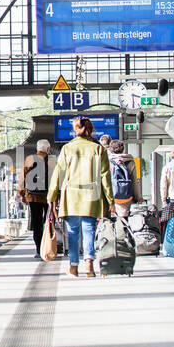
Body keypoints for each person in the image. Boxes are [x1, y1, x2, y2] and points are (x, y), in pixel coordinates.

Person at [48, 115, 113, 278]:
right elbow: (105, 176)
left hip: (71, 195)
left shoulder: (67, 149)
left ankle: (73, 266)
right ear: (91, 130)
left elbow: (58, 173)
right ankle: (89, 264)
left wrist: (52, 195)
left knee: (73, 231)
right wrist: (110, 200)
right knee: (89, 229)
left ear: (75, 130)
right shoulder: (98, 149)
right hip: (92, 194)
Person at [18, 139, 57, 259]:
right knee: (49, 222)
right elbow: (58, 179)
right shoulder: (53, 161)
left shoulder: (29, 159)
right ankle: (49, 248)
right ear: (48, 149)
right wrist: (58, 195)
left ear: (37, 149)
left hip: (33, 196)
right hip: (49, 197)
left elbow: (22, 178)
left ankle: (39, 250)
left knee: (36, 223)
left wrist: (22, 194)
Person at [108, 139, 138, 219]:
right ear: (123, 149)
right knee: (125, 219)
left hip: (112, 197)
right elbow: (135, 181)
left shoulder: (108, 162)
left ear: (110, 150)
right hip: (127, 196)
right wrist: (138, 197)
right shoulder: (130, 162)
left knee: (112, 221)